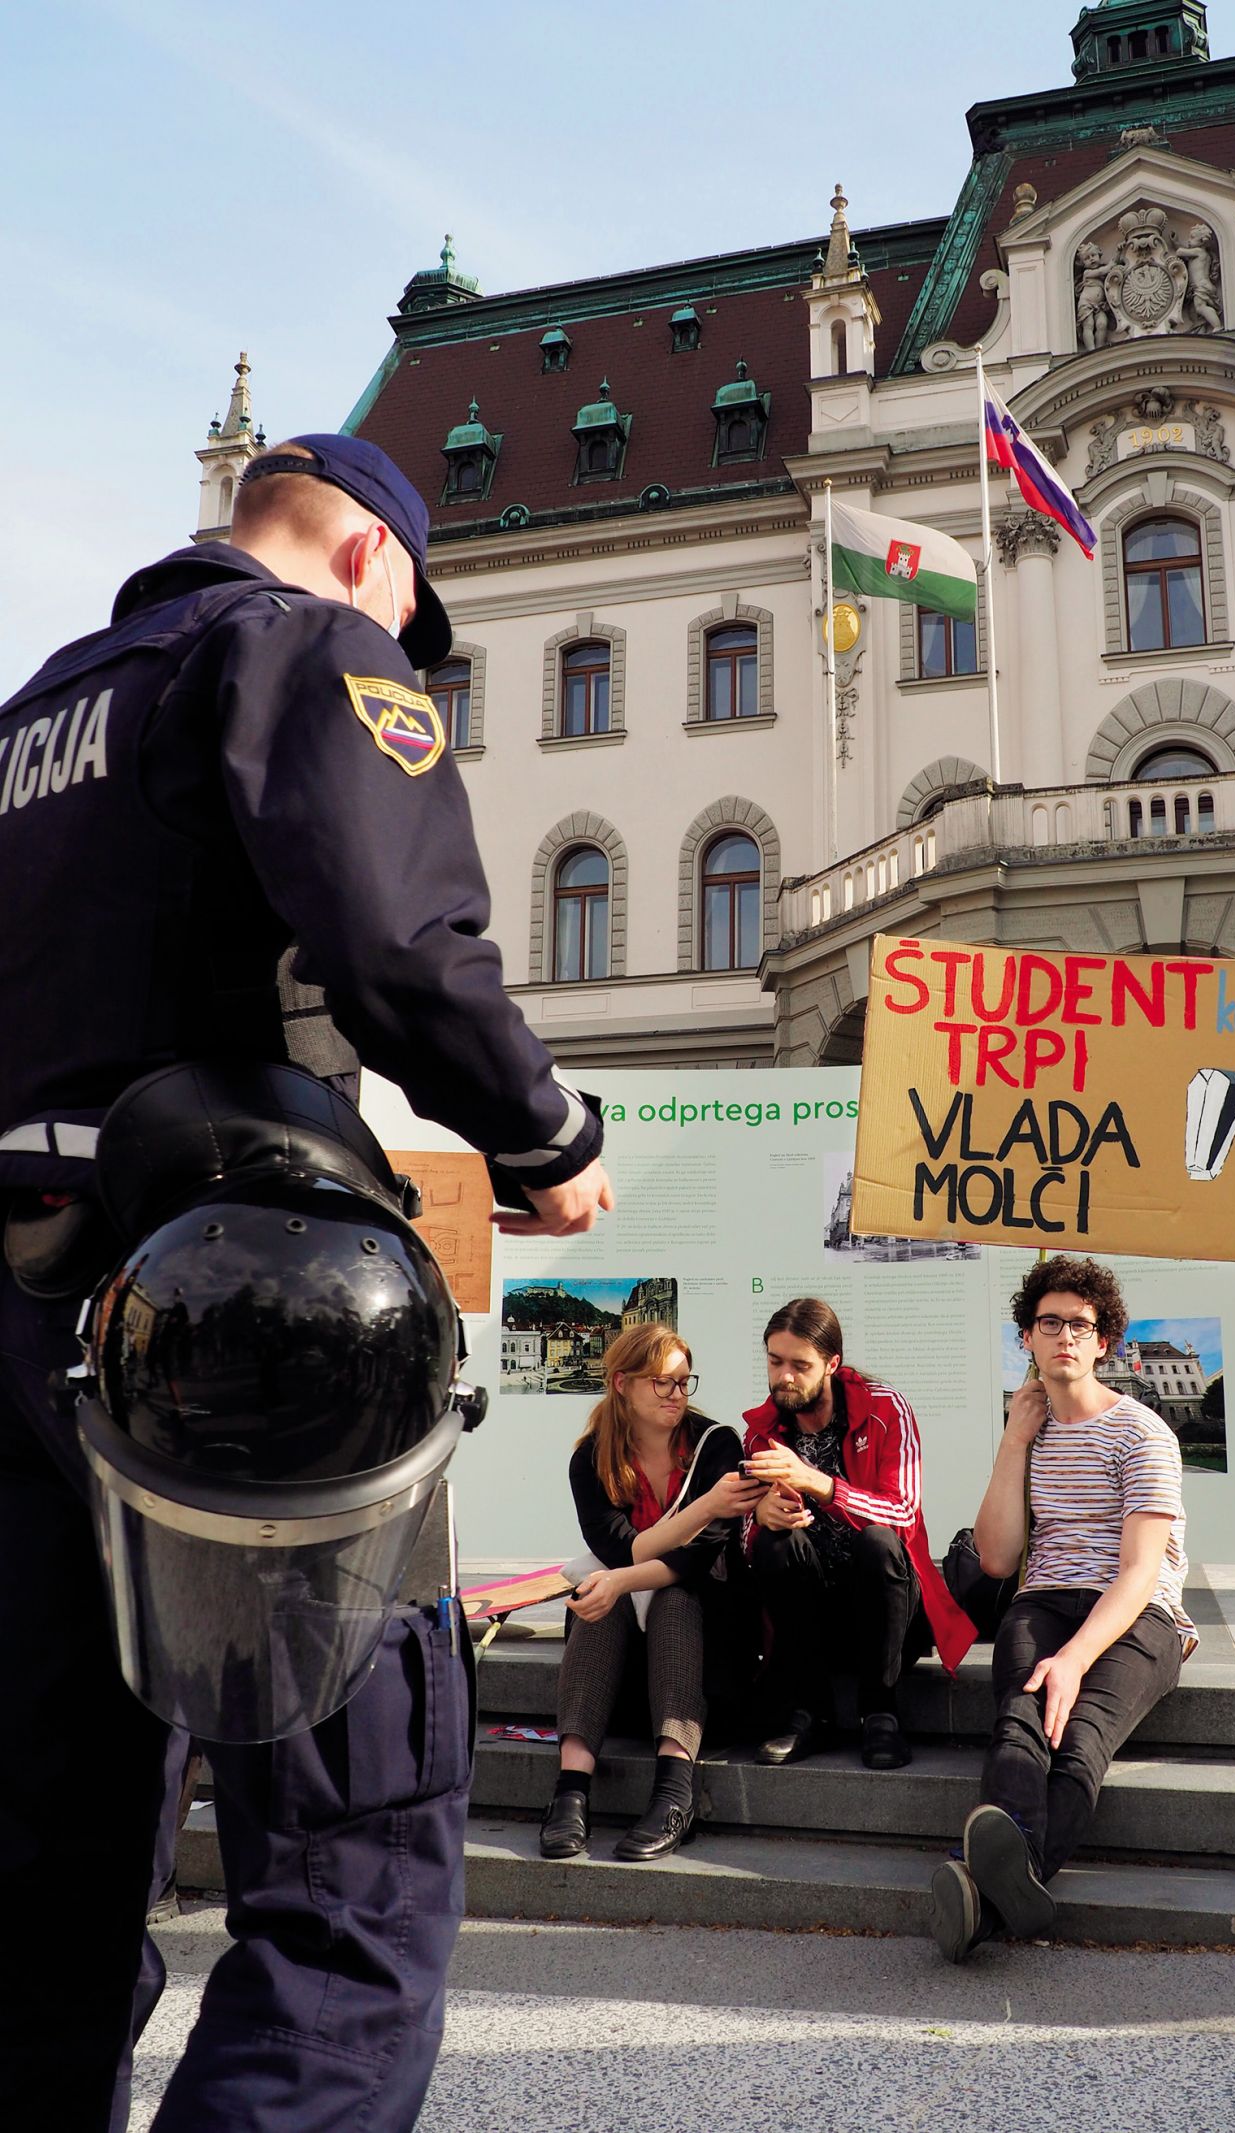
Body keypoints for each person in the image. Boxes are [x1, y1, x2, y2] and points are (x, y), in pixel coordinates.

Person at [0, 432, 612, 2131]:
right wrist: (545, 1129)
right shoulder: (301, 643)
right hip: (229, 1318)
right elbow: (397, 929)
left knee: (41, 1872)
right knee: (349, 1870)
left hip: (24, 1302)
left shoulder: (35, 713)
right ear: (366, 558)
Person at [931, 1256, 1195, 1964]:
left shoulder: (1143, 1433)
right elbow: (994, 1556)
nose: (1065, 1337)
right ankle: (1002, 1898)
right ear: (1028, 1338)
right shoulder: (1030, 1430)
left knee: (1076, 1743)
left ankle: (981, 1901)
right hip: (1044, 1599)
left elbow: (1142, 1572)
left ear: (1103, 1340)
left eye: (1081, 1325)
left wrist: (1075, 1658)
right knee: (1022, 1727)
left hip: (1139, 1617)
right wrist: (1013, 1443)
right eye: (1050, 1323)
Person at [542, 1323, 762, 1863]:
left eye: (684, 1383)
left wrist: (622, 1576)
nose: (676, 1395)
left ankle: (674, 1790)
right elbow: (623, 1553)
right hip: (628, 1669)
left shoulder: (717, 1444)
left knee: (673, 1597)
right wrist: (707, 1505)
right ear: (622, 1384)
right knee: (605, 1595)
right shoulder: (590, 1459)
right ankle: (571, 1791)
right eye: (662, 1383)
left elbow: (696, 1558)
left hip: (707, 1647)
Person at [742, 1298, 974, 1771]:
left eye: (799, 1365)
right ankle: (811, 1713)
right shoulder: (761, 1433)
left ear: (831, 1363)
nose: (785, 1376)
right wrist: (760, 1515)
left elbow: (903, 1511)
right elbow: (741, 1534)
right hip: (813, 1622)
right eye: (775, 1361)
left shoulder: (886, 1408)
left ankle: (880, 1712)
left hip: (890, 1617)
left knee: (879, 1541)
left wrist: (821, 1485)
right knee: (773, 1541)